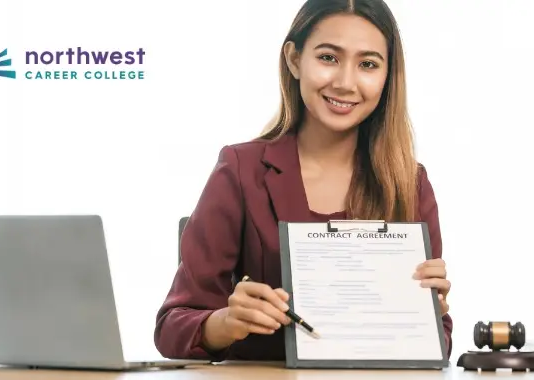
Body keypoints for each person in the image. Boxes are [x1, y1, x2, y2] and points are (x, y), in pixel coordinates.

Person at [154, 0, 453, 362]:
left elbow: (441, 342)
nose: (345, 83)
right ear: (295, 60)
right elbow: (172, 327)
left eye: (368, 64)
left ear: (387, 76)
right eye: (328, 58)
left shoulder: (410, 182)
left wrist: (424, 317)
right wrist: (226, 321)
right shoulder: (240, 169)